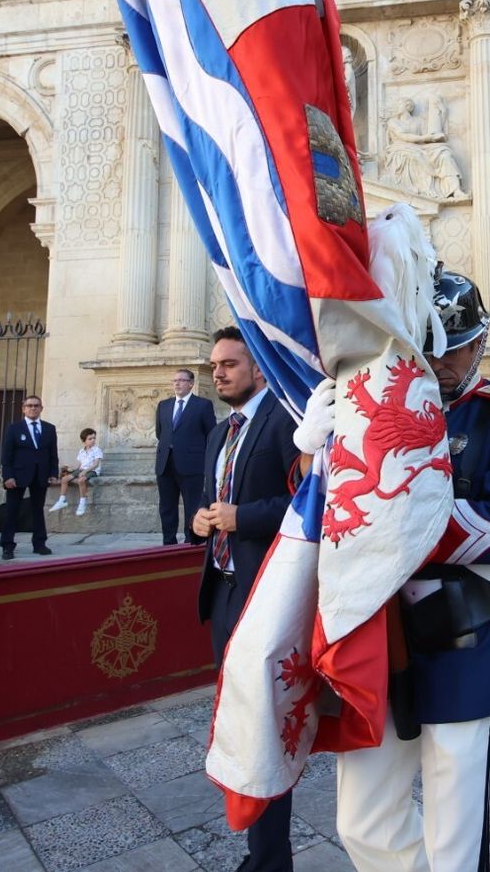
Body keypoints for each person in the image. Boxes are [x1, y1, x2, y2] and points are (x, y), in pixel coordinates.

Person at [335, 267, 490, 871]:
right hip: (378, 632)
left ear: (480, 343)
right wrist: (313, 457)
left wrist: (405, 523)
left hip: (460, 632)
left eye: (452, 348)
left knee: (456, 833)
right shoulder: (374, 405)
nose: (438, 363)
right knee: (362, 818)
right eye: (426, 348)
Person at [192, 327, 299, 870]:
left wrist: (244, 518)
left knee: (264, 729)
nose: (218, 373)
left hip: (266, 595)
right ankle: (259, 850)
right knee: (238, 727)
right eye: (214, 365)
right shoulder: (218, 433)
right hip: (225, 593)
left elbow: (310, 502)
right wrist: (201, 522)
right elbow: (214, 502)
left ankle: (271, 858)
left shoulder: (284, 422)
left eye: (229, 364)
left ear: (258, 369)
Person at [156, 369, 216, 546]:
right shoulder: (163, 405)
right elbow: (161, 433)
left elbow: (211, 434)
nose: (177, 383)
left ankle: (191, 542)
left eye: (182, 380)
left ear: (191, 383)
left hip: (192, 465)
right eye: (174, 380)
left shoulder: (203, 405)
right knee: (167, 507)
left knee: (192, 506)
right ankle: (169, 543)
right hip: (165, 464)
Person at [0, 395, 60, 560]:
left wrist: (54, 473)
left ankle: (39, 543)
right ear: (23, 408)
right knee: (12, 511)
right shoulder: (14, 428)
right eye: (30, 405)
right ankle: (7, 545)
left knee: (37, 510)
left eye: (36, 405)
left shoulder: (49, 428)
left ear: (41, 408)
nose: (33, 408)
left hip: (40, 475)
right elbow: (7, 455)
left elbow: (53, 454)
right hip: (17, 476)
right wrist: (8, 476)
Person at [51, 428, 104, 516]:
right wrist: (72, 470)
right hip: (82, 469)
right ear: (84, 441)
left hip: (92, 470)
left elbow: (96, 464)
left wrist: (85, 471)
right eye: (90, 439)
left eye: (94, 438)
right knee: (64, 479)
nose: (93, 440)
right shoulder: (81, 451)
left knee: (81, 480)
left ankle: (82, 502)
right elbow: (80, 465)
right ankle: (62, 500)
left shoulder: (97, 450)